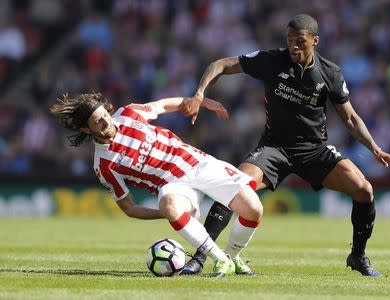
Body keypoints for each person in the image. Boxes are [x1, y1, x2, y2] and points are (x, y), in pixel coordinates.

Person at [179, 14, 390, 277]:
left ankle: (358, 256)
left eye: (300, 41)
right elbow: (220, 64)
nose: (294, 47)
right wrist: (199, 94)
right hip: (274, 148)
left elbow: (351, 118)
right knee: (232, 188)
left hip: (314, 150)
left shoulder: (330, 73)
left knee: (364, 190)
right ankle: (199, 257)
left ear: (315, 40)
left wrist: (375, 149)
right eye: (290, 41)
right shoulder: (272, 60)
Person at [50, 92, 263, 277]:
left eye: (104, 115)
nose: (106, 122)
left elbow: (162, 105)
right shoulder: (103, 165)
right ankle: (219, 259)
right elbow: (129, 208)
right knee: (170, 205)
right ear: (87, 130)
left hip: (197, 163)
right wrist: (165, 214)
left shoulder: (128, 113)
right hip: (175, 187)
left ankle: (232, 257)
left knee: (253, 209)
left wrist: (199, 101)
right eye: (98, 122)